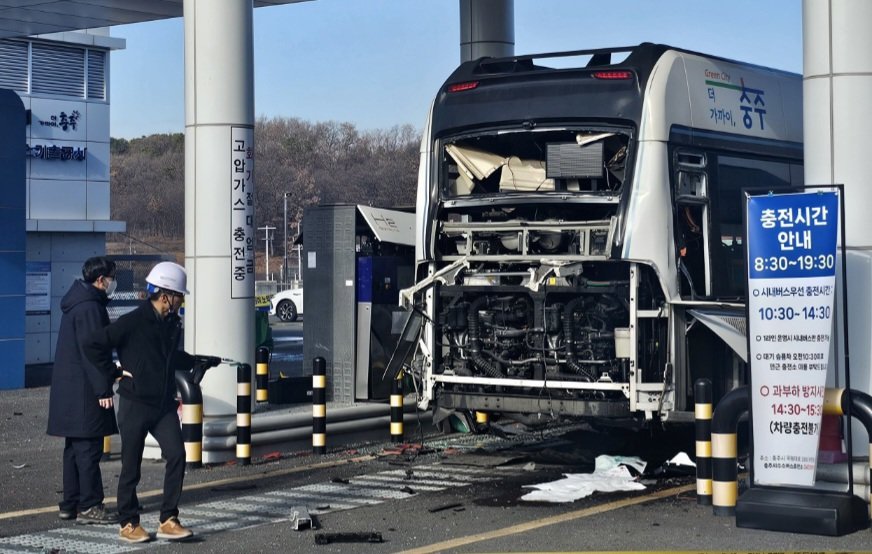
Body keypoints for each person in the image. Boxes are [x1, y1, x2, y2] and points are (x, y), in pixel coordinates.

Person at [84, 261, 219, 544]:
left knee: (178, 455)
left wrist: (197, 360)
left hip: (163, 405)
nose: (182, 300)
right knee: (131, 466)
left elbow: (167, 358)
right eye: (180, 295)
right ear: (165, 294)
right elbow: (92, 345)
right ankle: (128, 523)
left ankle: (168, 519)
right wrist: (115, 372)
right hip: (134, 404)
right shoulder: (132, 322)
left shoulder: (171, 324)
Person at [47, 256, 120, 525]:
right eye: (111, 278)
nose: (113, 283)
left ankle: (70, 504)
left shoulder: (75, 304)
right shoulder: (91, 307)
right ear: (100, 280)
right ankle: (90, 506)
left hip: (70, 390)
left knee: (74, 450)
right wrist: (104, 389)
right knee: (89, 450)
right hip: (85, 391)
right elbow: (94, 352)